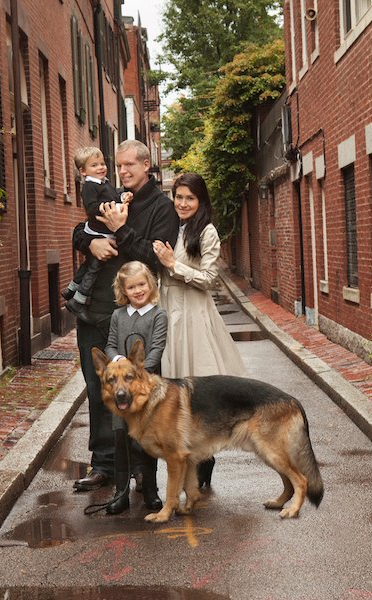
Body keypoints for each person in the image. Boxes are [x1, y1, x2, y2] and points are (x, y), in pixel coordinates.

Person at [71, 140, 179, 502]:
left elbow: (155, 256)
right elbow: (81, 229)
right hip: (96, 308)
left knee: (140, 391)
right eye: (119, 166)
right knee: (96, 386)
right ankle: (102, 464)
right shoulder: (111, 196)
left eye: (130, 165)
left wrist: (120, 229)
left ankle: (139, 468)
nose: (123, 172)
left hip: (136, 316)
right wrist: (90, 245)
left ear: (147, 165)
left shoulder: (161, 207)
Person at [153, 172, 246, 488]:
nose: (182, 203)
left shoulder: (206, 232)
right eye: (178, 197)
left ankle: (205, 462)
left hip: (194, 314)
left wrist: (172, 265)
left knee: (199, 391)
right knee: (172, 391)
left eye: (189, 198)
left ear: (200, 200)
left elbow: (208, 279)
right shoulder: (169, 226)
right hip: (168, 313)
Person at [102, 261, 167, 514]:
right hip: (120, 391)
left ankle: (151, 491)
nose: (138, 290)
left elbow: (156, 351)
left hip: (146, 390)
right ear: (123, 291)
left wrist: (136, 373)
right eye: (132, 287)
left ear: (150, 285)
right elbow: (109, 345)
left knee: (147, 440)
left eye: (142, 284)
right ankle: (120, 493)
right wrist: (117, 360)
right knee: (121, 439)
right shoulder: (118, 316)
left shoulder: (158, 315)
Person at [62, 147, 133, 323]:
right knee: (95, 265)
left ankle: (71, 289)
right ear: (83, 171)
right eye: (94, 165)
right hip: (98, 230)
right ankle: (78, 301)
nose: (101, 167)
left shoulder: (103, 183)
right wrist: (112, 208)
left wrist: (123, 195)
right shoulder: (89, 186)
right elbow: (92, 208)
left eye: (102, 163)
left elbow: (114, 194)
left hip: (104, 230)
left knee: (89, 264)